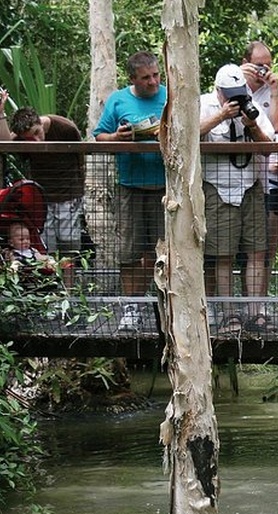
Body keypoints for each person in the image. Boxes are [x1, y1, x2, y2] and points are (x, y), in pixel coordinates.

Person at [93, 51, 167, 331]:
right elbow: (100, 135)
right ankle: (131, 306)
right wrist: (117, 137)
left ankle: (163, 305)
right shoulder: (118, 100)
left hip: (164, 189)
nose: (153, 82)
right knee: (130, 251)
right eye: (146, 77)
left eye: (156, 75)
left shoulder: (170, 96)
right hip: (130, 187)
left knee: (162, 252)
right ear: (133, 78)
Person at [200, 63, 275, 333]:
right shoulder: (204, 104)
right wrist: (221, 116)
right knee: (223, 255)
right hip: (217, 190)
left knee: (256, 251)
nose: (234, 98)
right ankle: (229, 315)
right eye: (228, 94)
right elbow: (189, 136)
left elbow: (268, 149)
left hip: (250, 188)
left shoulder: (251, 105)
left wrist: (251, 126)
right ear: (218, 91)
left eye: (238, 92)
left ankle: (256, 313)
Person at [1, 104, 83, 287]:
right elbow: (6, 145)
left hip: (68, 194)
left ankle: (69, 293)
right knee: (47, 248)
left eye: (38, 132)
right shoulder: (21, 138)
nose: (37, 140)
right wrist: (1, 113)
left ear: (39, 121)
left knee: (70, 247)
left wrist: (79, 188)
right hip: (41, 198)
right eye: (30, 138)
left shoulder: (64, 127)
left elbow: (81, 155)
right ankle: (51, 293)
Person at [241, 42, 278, 292]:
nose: (264, 71)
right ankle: (231, 306)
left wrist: (273, 90)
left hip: (273, 185)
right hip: (242, 181)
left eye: (268, 66)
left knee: (266, 248)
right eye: (259, 65)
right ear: (245, 63)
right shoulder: (232, 86)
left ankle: (259, 304)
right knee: (234, 248)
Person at [2, 221, 58, 292]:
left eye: (28, 239)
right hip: (22, 279)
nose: (26, 241)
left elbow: (40, 257)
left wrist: (49, 259)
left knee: (50, 264)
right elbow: (11, 262)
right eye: (21, 239)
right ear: (11, 243)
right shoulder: (12, 253)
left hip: (37, 276)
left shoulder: (32, 251)